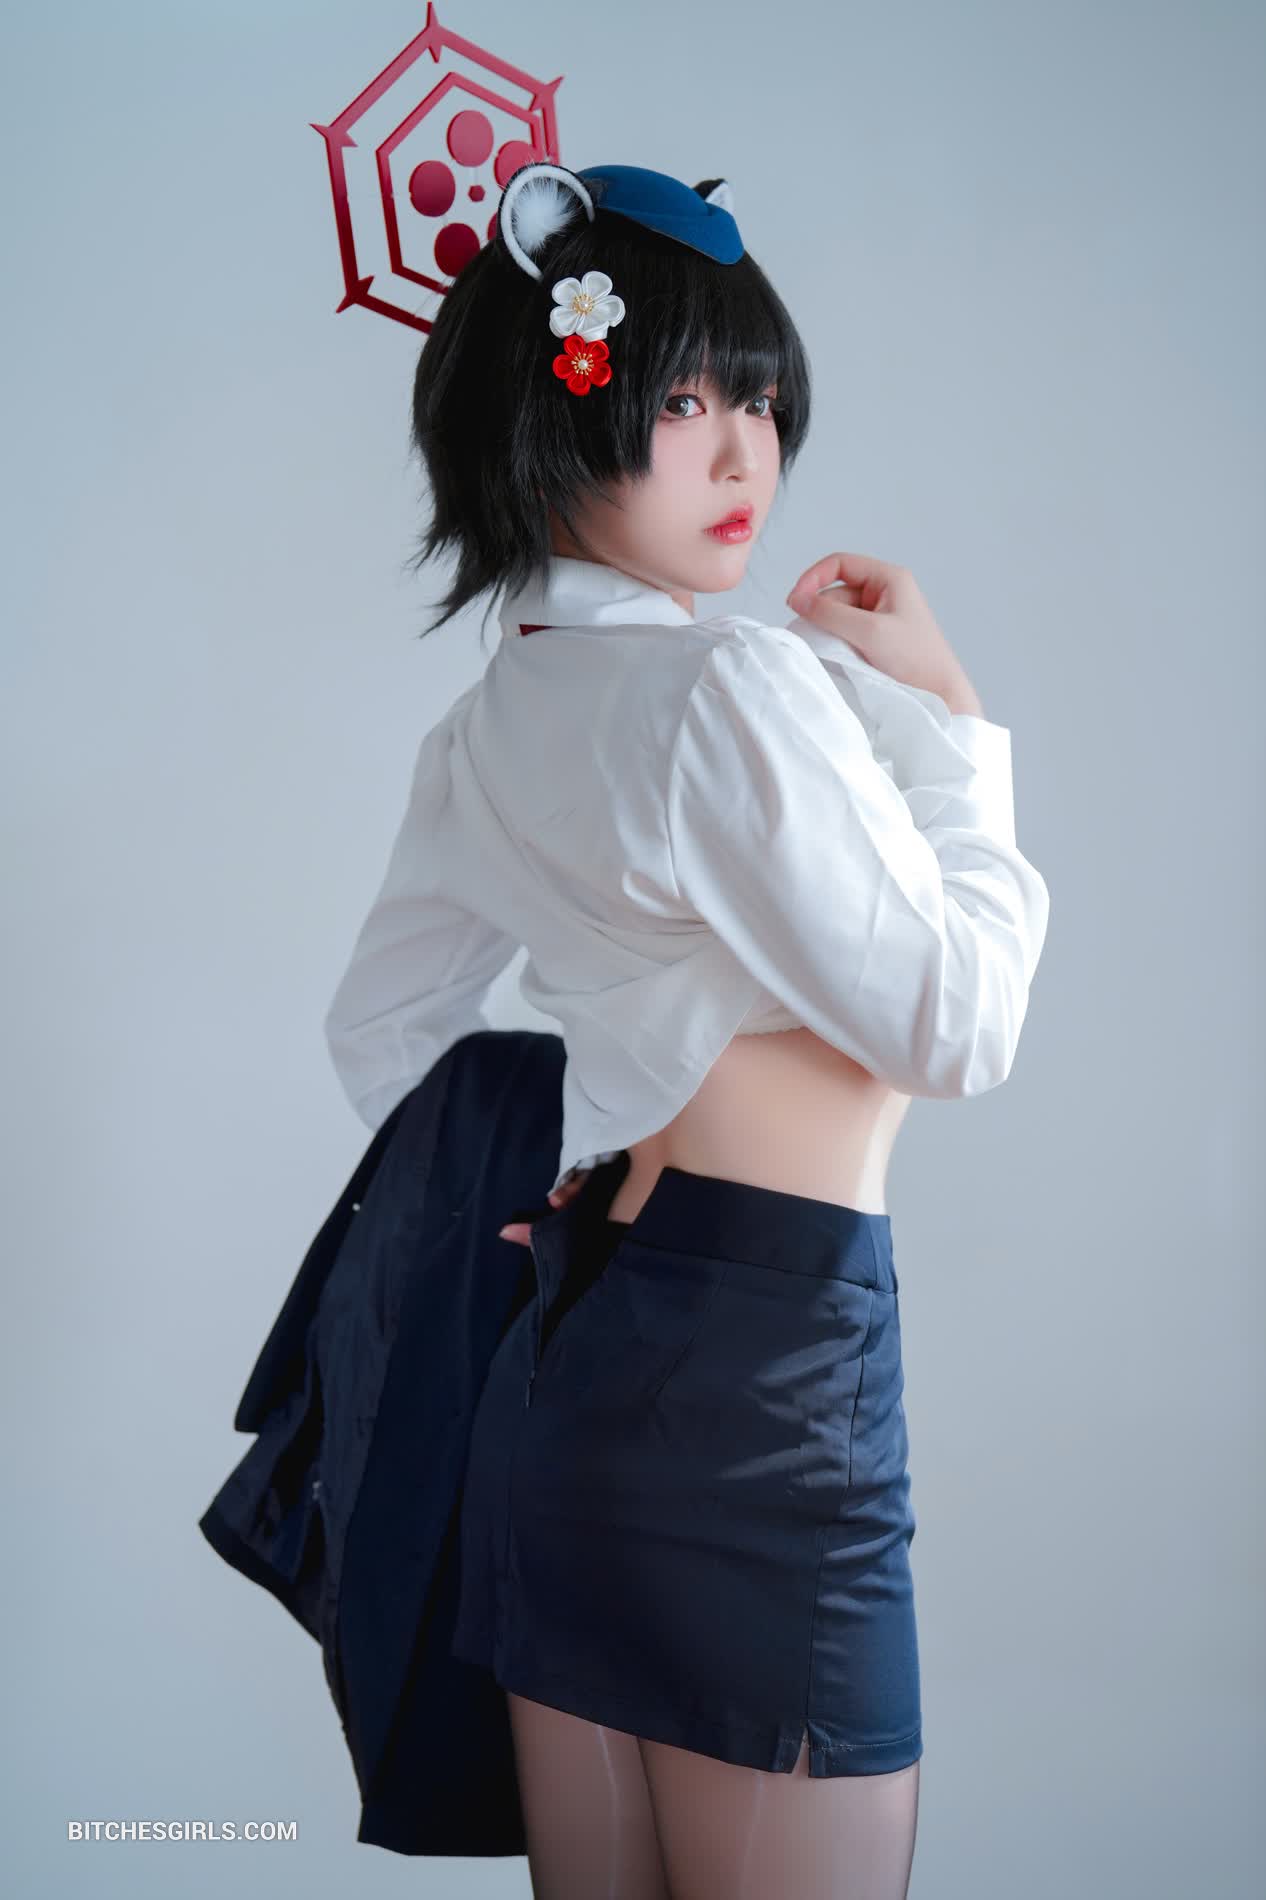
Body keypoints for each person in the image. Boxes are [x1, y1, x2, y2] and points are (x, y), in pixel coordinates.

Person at [322, 161, 1051, 1899]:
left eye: (759, 401)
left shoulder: (490, 719)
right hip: (763, 1367)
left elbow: (387, 1029)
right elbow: (956, 1026)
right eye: (679, 404)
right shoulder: (726, 684)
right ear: (552, 416)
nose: (743, 458)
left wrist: (556, 1177)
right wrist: (953, 727)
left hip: (575, 1355)